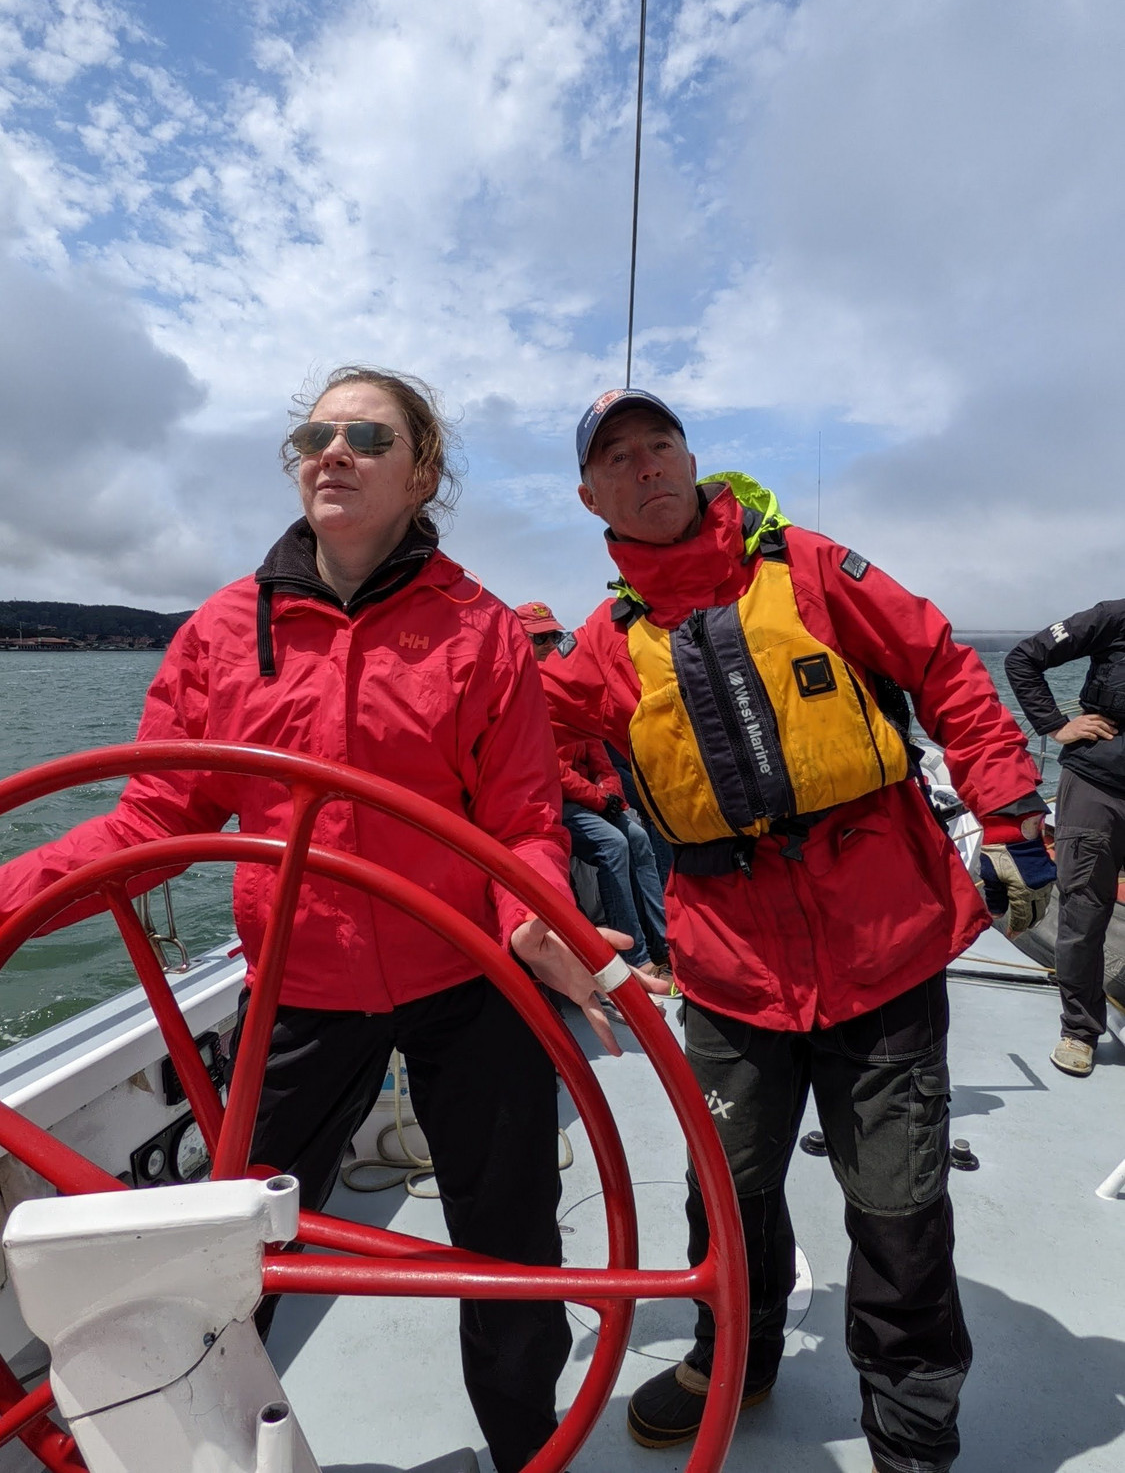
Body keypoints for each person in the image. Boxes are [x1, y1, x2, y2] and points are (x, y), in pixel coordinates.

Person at [0, 366, 660, 1473]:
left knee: (511, 1246)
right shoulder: (225, 630)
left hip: (468, 979)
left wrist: (532, 918)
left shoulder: (481, 630)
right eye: (315, 436)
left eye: (368, 435)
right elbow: (156, 816)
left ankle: (526, 1450)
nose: (333, 452)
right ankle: (204, 1448)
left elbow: (518, 819)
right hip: (298, 990)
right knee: (223, 1257)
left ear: (422, 474)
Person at [537, 387, 1048, 1473]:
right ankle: (733, 1354)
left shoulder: (811, 568)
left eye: (660, 444)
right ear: (590, 498)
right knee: (726, 1187)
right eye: (618, 458)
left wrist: (1009, 814)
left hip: (883, 946)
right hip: (728, 969)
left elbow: (944, 667)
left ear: (692, 460)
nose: (646, 466)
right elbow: (498, 746)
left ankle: (912, 1435)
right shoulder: (598, 648)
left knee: (900, 1207)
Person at [516, 601, 669, 976]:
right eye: (540, 638)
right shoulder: (519, 696)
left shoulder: (567, 689)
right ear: (520, 642)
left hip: (588, 799)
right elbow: (550, 769)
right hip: (555, 803)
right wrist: (601, 799)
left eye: (554, 636)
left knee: (639, 836)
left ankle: (666, 943)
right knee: (614, 844)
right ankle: (634, 957)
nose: (550, 644)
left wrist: (610, 792)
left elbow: (600, 754)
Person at [1006, 601, 1125, 1077]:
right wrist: (1056, 725)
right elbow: (1023, 658)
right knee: (1084, 911)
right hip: (1098, 785)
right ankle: (1080, 1030)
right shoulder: (1114, 617)